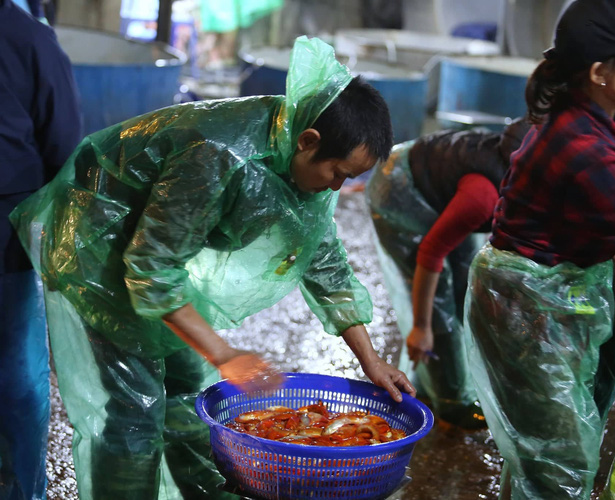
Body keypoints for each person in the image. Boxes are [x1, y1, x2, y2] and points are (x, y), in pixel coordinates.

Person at [10, 36, 415, 499]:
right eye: (338, 173)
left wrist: (372, 361)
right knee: (134, 409)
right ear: (309, 141)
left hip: (153, 246)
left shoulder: (302, 164)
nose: (338, 187)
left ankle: (204, 492)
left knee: (188, 384)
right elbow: (152, 270)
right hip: (99, 236)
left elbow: (325, 264)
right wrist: (225, 354)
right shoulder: (219, 153)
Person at [463, 0, 615, 498]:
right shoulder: (585, 148)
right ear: (601, 72)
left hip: (540, 297)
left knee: (547, 450)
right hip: (528, 310)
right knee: (560, 462)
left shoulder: (595, 118)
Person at [365, 119, 530, 428]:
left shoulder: (515, 176)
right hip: (401, 191)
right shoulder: (483, 196)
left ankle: (438, 380)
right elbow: (430, 254)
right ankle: (450, 401)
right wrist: (422, 327)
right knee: (438, 304)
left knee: (464, 283)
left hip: (441, 182)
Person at [0, 2, 82, 499]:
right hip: (8, 229)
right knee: (15, 374)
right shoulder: (28, 35)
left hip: (5, 228)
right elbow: (65, 144)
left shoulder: (26, 36)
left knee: (16, 375)